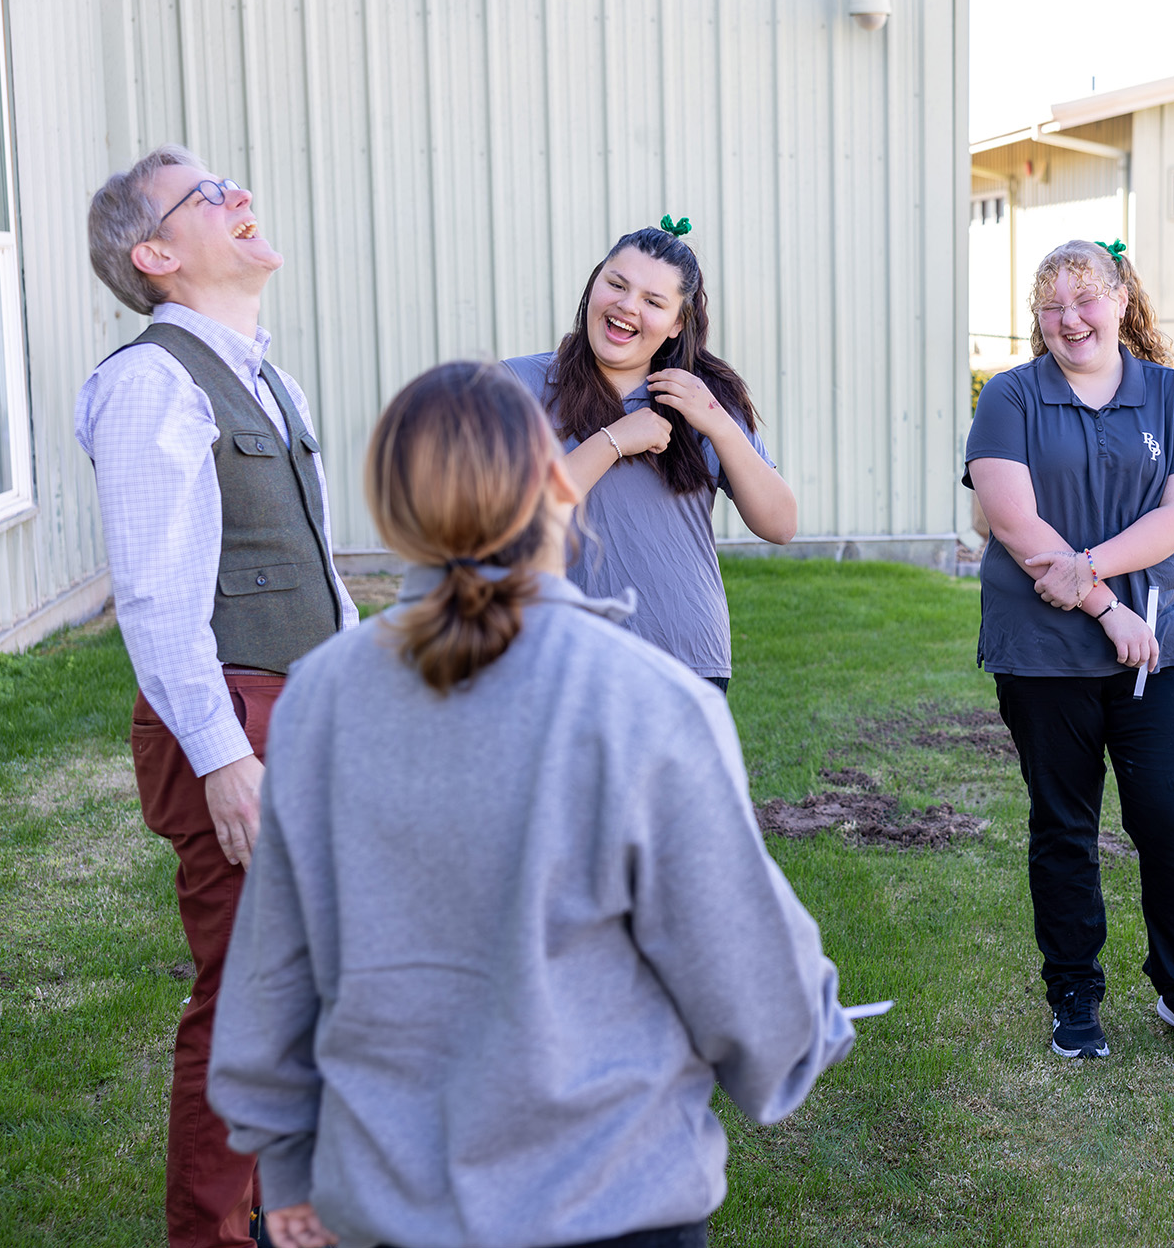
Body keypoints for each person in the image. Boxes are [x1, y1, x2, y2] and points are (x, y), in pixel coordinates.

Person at [206, 362, 854, 1248]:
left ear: (392, 514)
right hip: (613, 1207)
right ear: (558, 480)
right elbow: (756, 989)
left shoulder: (319, 699)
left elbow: (275, 969)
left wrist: (285, 1162)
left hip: (384, 1209)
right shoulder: (647, 702)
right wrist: (805, 1033)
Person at [77, 145, 359, 1247]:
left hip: (299, 708)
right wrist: (221, 751)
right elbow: (155, 595)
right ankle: (210, 1231)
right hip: (234, 720)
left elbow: (310, 568)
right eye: (211, 194)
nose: (243, 195)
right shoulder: (151, 379)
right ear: (156, 255)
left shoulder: (260, 372)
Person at [964, 238, 1174, 1060]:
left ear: (1120, 299)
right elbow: (1010, 521)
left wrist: (1089, 569)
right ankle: (1073, 989)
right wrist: (1106, 604)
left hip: (1159, 648)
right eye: (1051, 307)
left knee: (1170, 819)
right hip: (1043, 650)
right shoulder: (1010, 396)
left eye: (1085, 300)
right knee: (1064, 823)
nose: (1069, 319)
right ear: (1035, 319)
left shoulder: (1173, 396)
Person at [504, 224, 794, 692]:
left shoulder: (702, 398)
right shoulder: (520, 385)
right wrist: (613, 440)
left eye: (653, 301)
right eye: (616, 285)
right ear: (595, 283)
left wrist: (718, 422)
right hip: (560, 662)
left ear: (678, 322)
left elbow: (780, 525)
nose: (627, 306)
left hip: (686, 660)